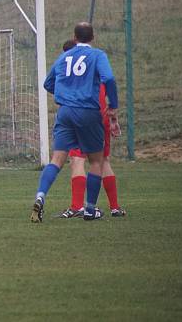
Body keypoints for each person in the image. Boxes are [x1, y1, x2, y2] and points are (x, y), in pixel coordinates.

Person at [31, 22, 119, 222]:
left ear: (75, 37)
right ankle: (89, 209)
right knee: (96, 161)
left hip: (65, 112)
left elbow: (48, 83)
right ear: (93, 37)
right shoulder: (97, 55)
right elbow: (109, 78)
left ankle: (40, 196)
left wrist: (66, 93)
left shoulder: (64, 57)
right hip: (87, 111)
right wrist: (113, 105)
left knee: (57, 160)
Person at [57, 40, 126, 219]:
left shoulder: (68, 72)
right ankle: (115, 208)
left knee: (77, 159)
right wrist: (113, 119)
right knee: (104, 161)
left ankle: (78, 206)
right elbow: (107, 89)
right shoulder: (95, 64)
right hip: (101, 116)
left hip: (83, 118)